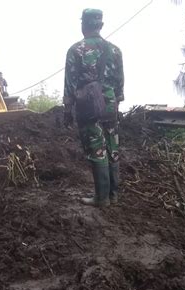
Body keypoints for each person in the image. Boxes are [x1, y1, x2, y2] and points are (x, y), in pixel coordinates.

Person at [63, 8, 124, 208]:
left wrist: (67, 111)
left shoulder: (76, 50)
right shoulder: (115, 50)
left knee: (97, 150)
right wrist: (114, 102)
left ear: (83, 25)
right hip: (110, 104)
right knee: (112, 148)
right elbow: (119, 83)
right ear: (101, 25)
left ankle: (101, 198)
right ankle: (114, 195)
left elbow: (70, 84)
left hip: (89, 106)